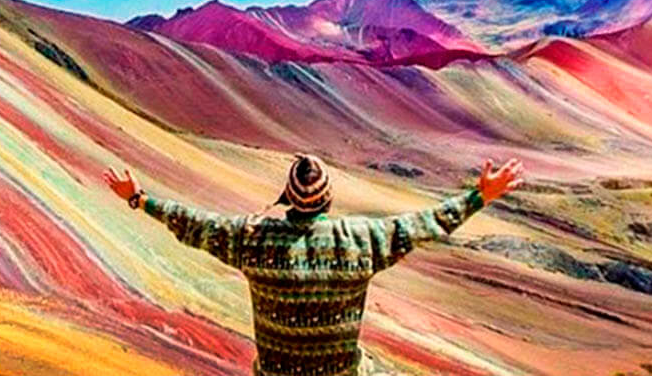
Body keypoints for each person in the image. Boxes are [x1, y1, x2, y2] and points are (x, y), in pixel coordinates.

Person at [104, 155, 524, 376]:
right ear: (328, 201)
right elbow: (423, 225)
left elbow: (195, 223)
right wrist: (478, 197)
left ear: (286, 198)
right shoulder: (360, 242)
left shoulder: (253, 241)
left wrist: (139, 199)